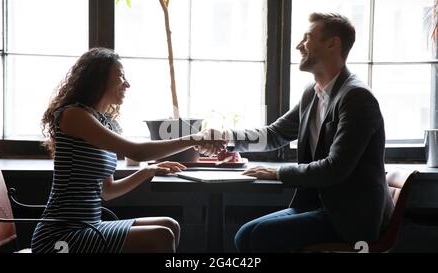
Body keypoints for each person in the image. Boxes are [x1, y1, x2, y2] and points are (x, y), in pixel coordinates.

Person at [199, 13, 393, 252]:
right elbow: (274, 134)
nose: (298, 45)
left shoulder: (356, 98)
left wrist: (277, 172)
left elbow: (336, 168)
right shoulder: (312, 92)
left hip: (351, 219)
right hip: (317, 207)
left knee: (258, 237)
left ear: (333, 43)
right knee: (245, 236)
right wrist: (226, 136)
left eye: (307, 37)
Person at [31, 47, 225, 253]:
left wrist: (148, 171)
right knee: (161, 236)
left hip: (89, 227)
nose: (127, 83)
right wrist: (195, 138)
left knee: (170, 225)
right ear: (100, 79)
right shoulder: (74, 115)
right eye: (121, 76)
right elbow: (137, 152)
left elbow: (107, 191)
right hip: (60, 237)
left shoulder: (102, 121)